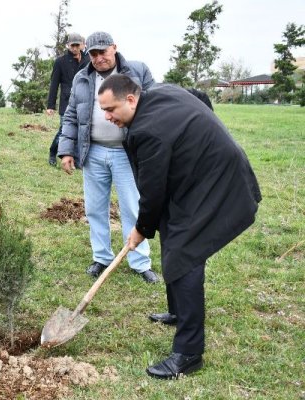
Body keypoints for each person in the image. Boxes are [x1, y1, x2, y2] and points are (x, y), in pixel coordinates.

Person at [98, 74, 261, 379]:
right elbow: (199, 97)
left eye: (111, 110)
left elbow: (152, 192)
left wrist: (141, 229)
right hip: (197, 176)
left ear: (131, 99)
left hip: (217, 179)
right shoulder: (158, 91)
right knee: (172, 232)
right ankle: (177, 311)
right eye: (103, 110)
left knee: (185, 254)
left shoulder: (148, 131)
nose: (107, 117)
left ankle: (188, 354)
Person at [58, 31, 157, 283]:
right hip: (94, 152)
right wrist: (67, 150)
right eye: (93, 53)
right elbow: (71, 115)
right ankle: (101, 257)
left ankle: (139, 262)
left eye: (103, 51)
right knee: (94, 208)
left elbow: (154, 106)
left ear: (114, 48)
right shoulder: (82, 78)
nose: (99, 58)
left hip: (126, 152)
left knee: (132, 206)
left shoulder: (137, 72)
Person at [46, 32, 89, 166]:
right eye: (72, 45)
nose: (75, 48)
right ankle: (53, 151)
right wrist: (50, 106)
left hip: (84, 101)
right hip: (67, 102)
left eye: (77, 45)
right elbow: (54, 83)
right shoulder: (60, 61)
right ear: (68, 45)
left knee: (80, 130)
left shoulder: (88, 60)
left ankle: (76, 159)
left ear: (82, 45)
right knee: (64, 130)